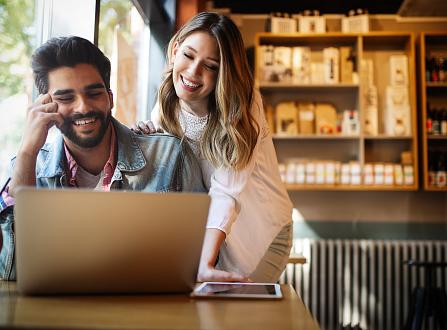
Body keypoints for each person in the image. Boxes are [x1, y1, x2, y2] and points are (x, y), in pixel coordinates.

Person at [0, 36, 205, 281]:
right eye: (66, 98)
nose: (83, 107)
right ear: (46, 107)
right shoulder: (28, 167)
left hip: (148, 310)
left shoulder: (170, 156)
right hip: (57, 313)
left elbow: (198, 262)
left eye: (93, 93)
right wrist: (26, 153)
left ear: (110, 98)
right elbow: (10, 272)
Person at [133, 12, 293, 283]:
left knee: (237, 319)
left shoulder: (244, 105)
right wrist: (148, 140)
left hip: (262, 233)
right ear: (175, 50)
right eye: (188, 55)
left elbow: (225, 192)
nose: (194, 72)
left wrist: (206, 263)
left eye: (211, 66)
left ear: (224, 72)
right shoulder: (166, 106)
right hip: (210, 236)